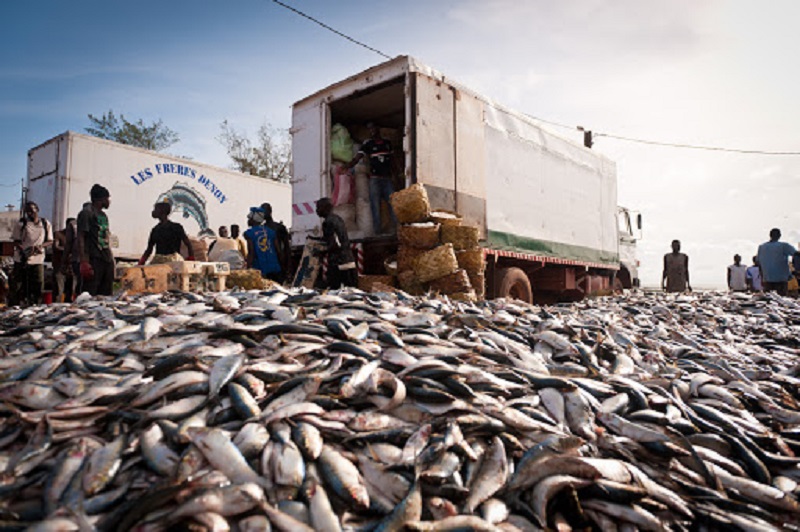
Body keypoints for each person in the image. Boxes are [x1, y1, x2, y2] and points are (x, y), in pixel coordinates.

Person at [348, 122, 398, 235]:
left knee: (393, 204)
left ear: (378, 129)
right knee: (375, 206)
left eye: (373, 128)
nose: (372, 131)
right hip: (375, 180)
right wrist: (347, 166)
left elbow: (393, 162)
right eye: (370, 129)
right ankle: (377, 232)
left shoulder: (387, 144)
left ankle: (397, 229)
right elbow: (357, 158)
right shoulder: (368, 145)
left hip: (387, 179)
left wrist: (397, 176)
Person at [9, 201, 53, 306]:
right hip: (22, 259)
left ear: (37, 210)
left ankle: (35, 306)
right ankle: (16, 306)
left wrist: (40, 246)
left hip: (38, 259)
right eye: (27, 211)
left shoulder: (45, 223)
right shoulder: (21, 224)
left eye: (32, 211)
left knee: (38, 285)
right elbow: (16, 241)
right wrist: (24, 250)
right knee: (19, 286)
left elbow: (50, 240)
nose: (29, 213)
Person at [77, 184, 114, 296]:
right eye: (107, 198)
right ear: (101, 199)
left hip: (106, 259)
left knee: (106, 294)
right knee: (90, 294)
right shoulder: (86, 213)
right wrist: (84, 261)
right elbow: (81, 237)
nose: (109, 201)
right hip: (94, 259)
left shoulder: (103, 215)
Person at [315, 197, 357, 289]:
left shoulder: (327, 222)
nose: (316, 211)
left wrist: (321, 253)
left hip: (338, 263)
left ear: (325, 208)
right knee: (352, 291)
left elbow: (335, 244)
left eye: (318, 208)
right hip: (348, 260)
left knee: (333, 291)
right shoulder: (338, 219)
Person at [757, 228, 796, 296]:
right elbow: (796, 255)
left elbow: (759, 263)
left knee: (768, 303)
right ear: (779, 235)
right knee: (781, 302)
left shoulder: (762, 247)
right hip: (781, 280)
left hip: (767, 280)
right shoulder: (784, 246)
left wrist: (762, 277)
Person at [259, 203, 291, 279]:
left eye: (265, 211)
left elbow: (286, 247)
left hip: (279, 262)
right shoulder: (261, 229)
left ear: (270, 211)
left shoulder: (279, 227)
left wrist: (288, 264)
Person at [64, 213, 83, 296]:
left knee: (78, 282)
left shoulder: (73, 224)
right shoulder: (74, 224)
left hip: (79, 259)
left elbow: (68, 243)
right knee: (79, 282)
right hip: (80, 259)